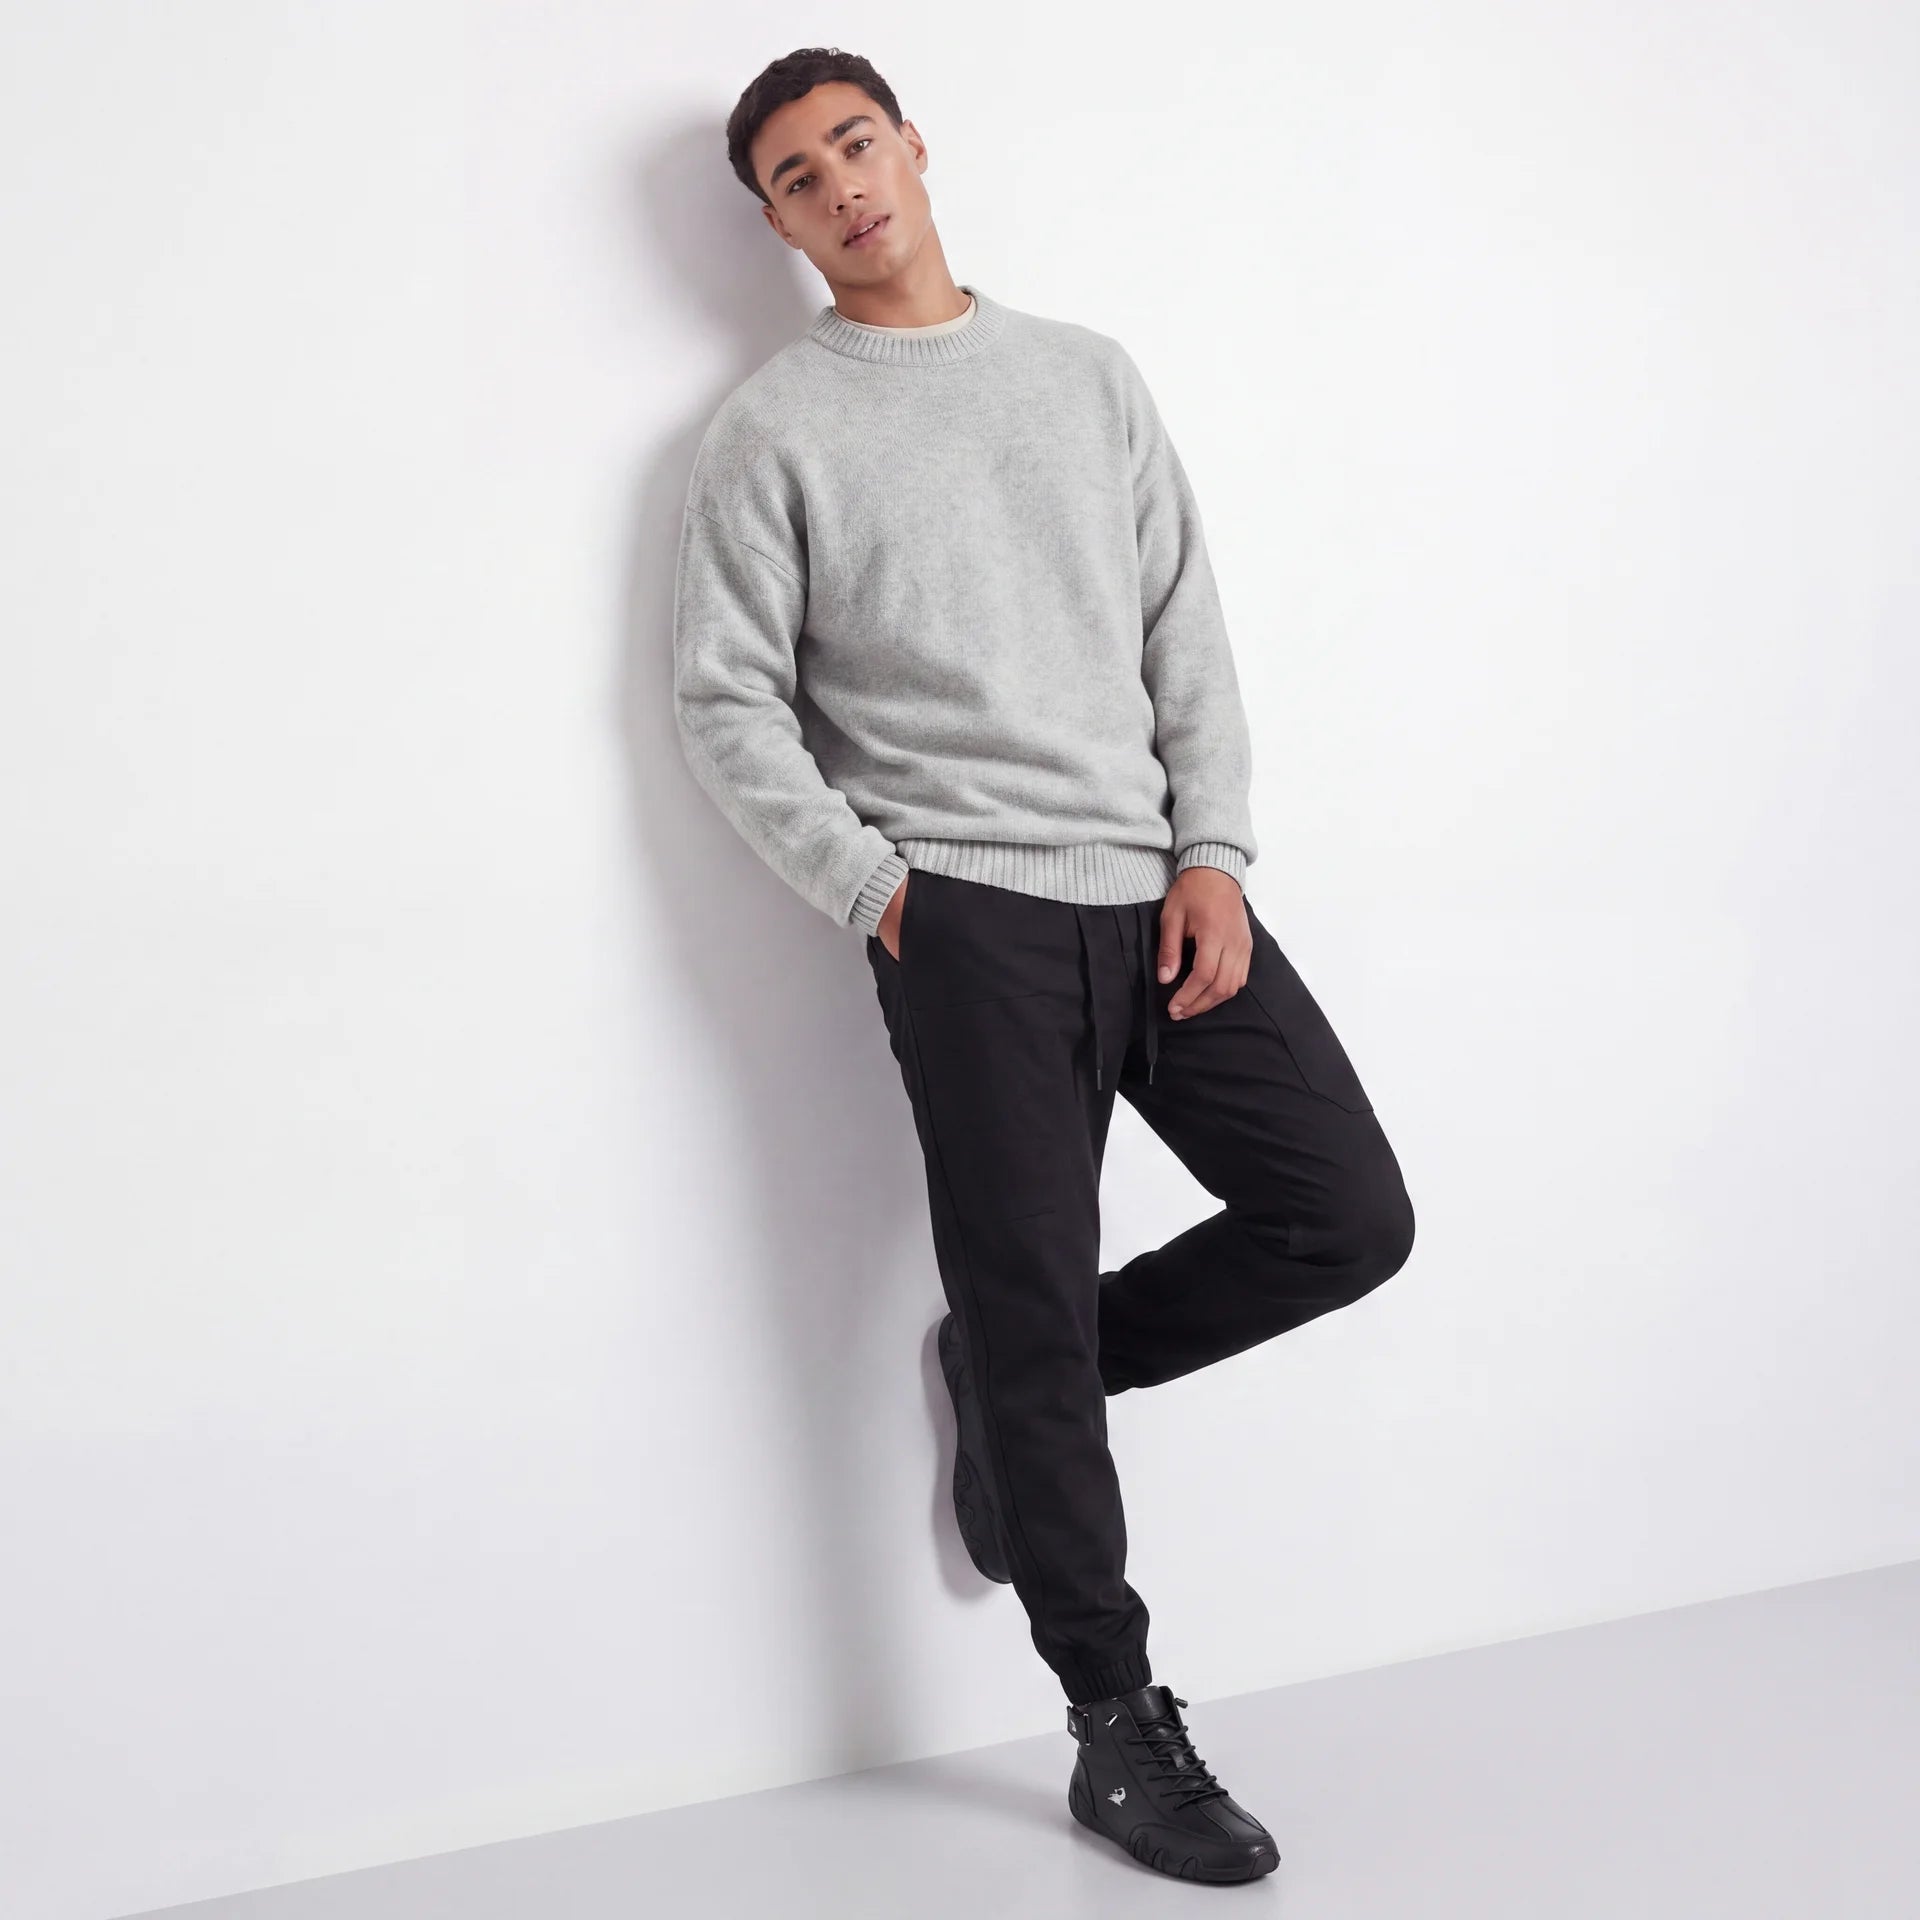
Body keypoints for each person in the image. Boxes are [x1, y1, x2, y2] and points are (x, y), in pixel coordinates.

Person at [673, 45, 1416, 1885]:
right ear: (775, 225)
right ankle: (1114, 1726)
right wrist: (879, 891)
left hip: (1158, 898)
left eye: (856, 143)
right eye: (795, 177)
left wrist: (1214, 854)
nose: (841, 185)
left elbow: (1186, 633)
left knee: (1346, 1214)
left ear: (915, 147)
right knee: (1025, 1299)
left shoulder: (1086, 377)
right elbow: (727, 701)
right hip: (966, 922)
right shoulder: (774, 431)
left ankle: (1025, 1386)